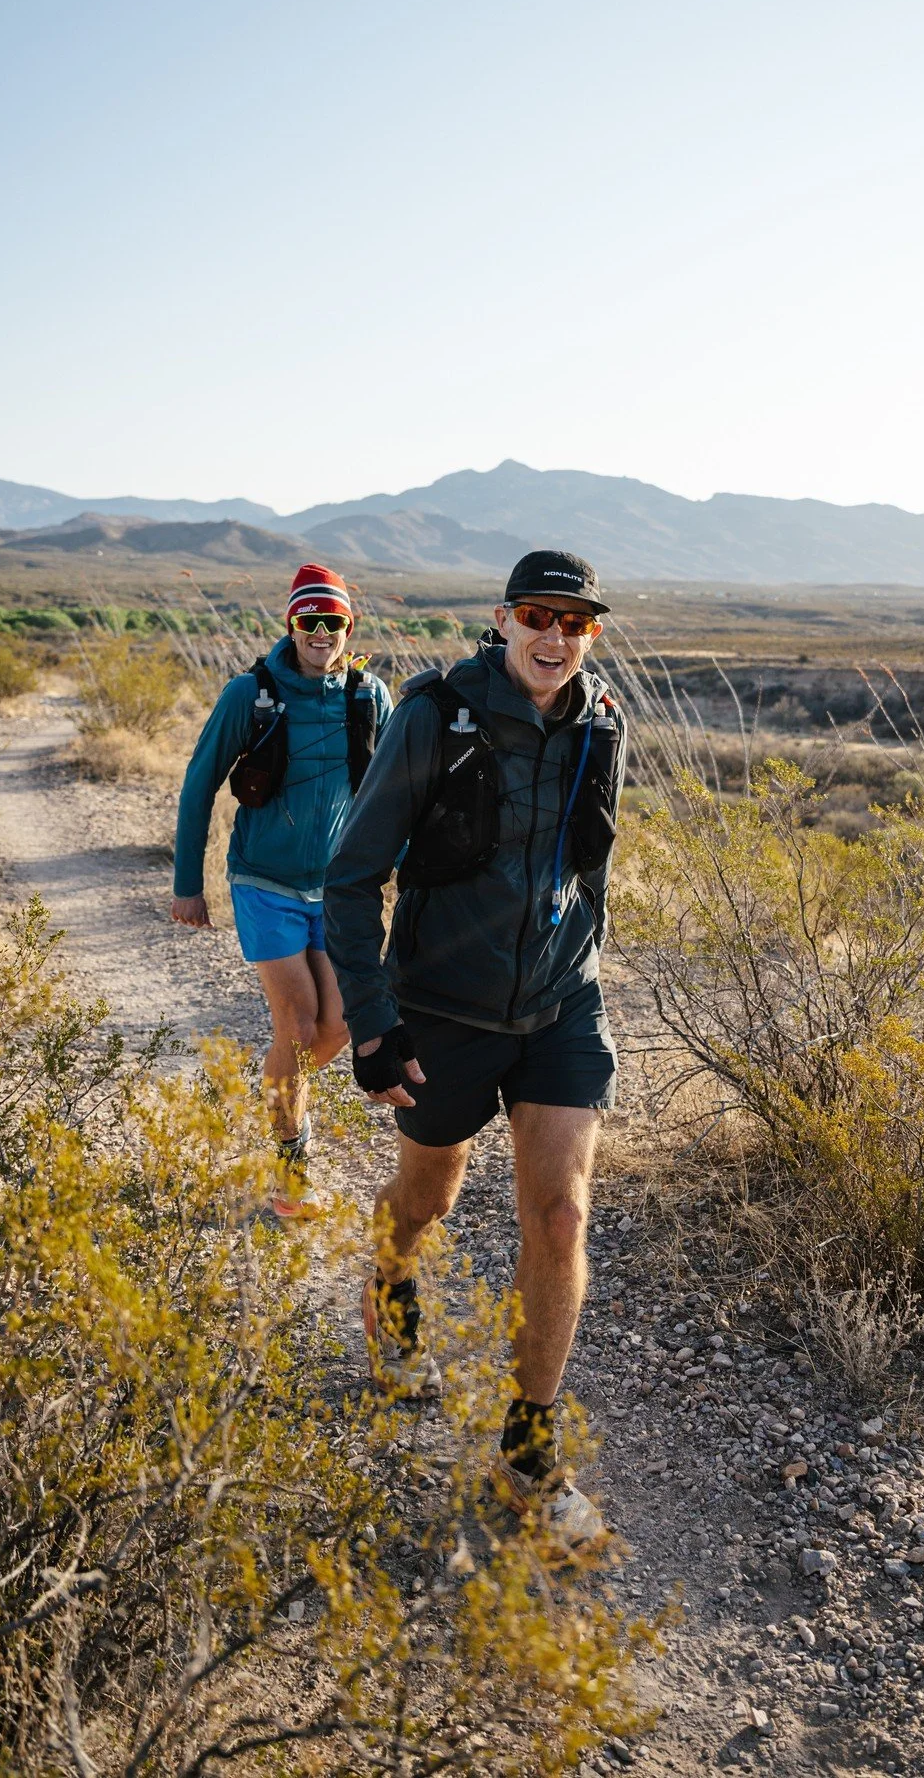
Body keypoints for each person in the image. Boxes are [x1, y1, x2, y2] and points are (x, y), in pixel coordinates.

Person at [324, 550, 626, 1549]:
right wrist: (372, 1021)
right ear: (502, 619)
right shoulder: (434, 717)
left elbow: (592, 867)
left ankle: (526, 1457)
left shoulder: (602, 725)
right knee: (428, 1200)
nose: (555, 637)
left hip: (558, 1010)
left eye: (574, 623)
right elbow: (353, 876)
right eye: (538, 616)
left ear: (591, 633)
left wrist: (583, 964)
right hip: (443, 1009)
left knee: (561, 1215)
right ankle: (389, 1278)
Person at [172, 564, 392, 1214]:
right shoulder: (251, 695)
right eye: (309, 620)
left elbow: (392, 797)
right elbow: (197, 783)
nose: (321, 632)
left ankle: (275, 1086)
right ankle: (291, 1170)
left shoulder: (367, 697)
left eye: (334, 622)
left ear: (350, 628)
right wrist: (189, 886)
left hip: (339, 888)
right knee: (297, 1025)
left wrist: (407, 875)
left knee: (340, 1025)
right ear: (291, 624)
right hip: (263, 883)